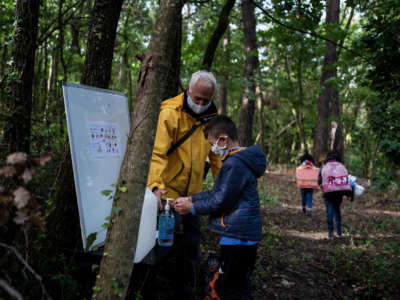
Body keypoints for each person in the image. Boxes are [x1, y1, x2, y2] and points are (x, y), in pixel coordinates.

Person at [173, 115, 267, 299]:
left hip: (238, 235)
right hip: (241, 232)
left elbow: (220, 200)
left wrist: (191, 208)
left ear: (223, 139)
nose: (212, 149)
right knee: (237, 281)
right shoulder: (238, 160)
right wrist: (191, 198)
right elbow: (218, 192)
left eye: (212, 143)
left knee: (230, 287)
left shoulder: (234, 163)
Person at [147, 70, 222, 297]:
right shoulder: (170, 113)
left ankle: (188, 288)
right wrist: (156, 186)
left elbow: (218, 158)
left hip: (194, 197)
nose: (200, 103)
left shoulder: (213, 120)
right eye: (197, 98)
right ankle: (160, 288)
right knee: (165, 244)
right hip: (168, 193)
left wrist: (225, 191)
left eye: (205, 100)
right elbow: (158, 153)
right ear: (188, 90)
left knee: (192, 244)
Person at [318, 151, 353, 239]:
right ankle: (339, 233)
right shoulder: (341, 166)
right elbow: (346, 179)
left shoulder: (324, 167)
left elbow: (319, 182)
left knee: (329, 212)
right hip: (339, 193)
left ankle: (330, 234)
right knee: (337, 211)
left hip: (328, 193)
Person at [298, 152, 316, 217]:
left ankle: (303, 207)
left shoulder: (301, 165)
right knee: (310, 197)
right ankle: (309, 209)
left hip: (303, 184)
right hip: (311, 184)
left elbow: (298, 173)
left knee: (303, 197)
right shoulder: (312, 165)